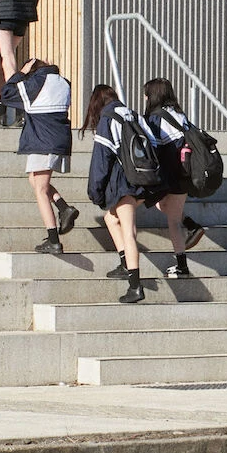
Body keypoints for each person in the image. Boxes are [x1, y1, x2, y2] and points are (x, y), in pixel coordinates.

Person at [0, 58, 81, 255]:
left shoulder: (37, 82)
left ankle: (53, 239)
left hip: (43, 139)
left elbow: (5, 95)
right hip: (57, 137)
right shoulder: (63, 82)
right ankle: (63, 208)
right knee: (34, 181)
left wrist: (20, 73)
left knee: (40, 189)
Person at [85, 85, 152, 305]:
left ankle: (135, 286)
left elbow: (101, 161)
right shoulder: (132, 115)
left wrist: (95, 191)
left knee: (129, 233)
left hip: (124, 182)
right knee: (111, 219)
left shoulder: (108, 119)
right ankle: (125, 264)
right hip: (143, 178)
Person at [141, 79, 211, 280]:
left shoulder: (155, 118)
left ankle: (182, 265)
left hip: (171, 173)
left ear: (153, 96)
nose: (145, 98)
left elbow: (152, 147)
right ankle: (190, 225)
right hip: (186, 172)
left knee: (171, 217)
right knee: (166, 209)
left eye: (146, 94)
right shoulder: (179, 115)